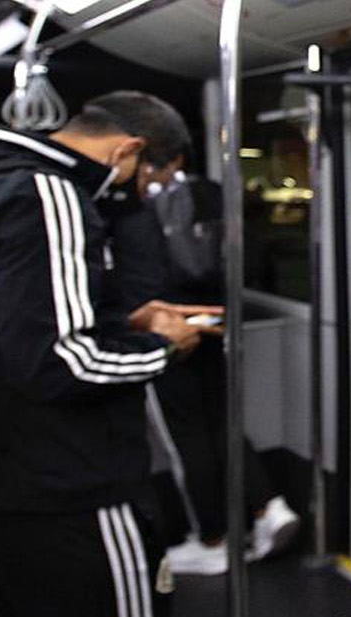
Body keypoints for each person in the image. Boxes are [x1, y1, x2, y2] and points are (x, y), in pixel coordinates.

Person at [0, 93, 217, 617]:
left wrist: (118, 321)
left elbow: (0, 327)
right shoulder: (49, 195)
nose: (138, 193)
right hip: (71, 491)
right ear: (129, 152)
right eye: (145, 177)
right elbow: (58, 363)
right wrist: (164, 348)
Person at [104, 158, 299, 576]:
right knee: (224, 422)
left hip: (166, 327)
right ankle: (269, 507)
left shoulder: (132, 209)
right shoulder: (211, 192)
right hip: (214, 317)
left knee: (186, 437)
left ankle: (214, 538)